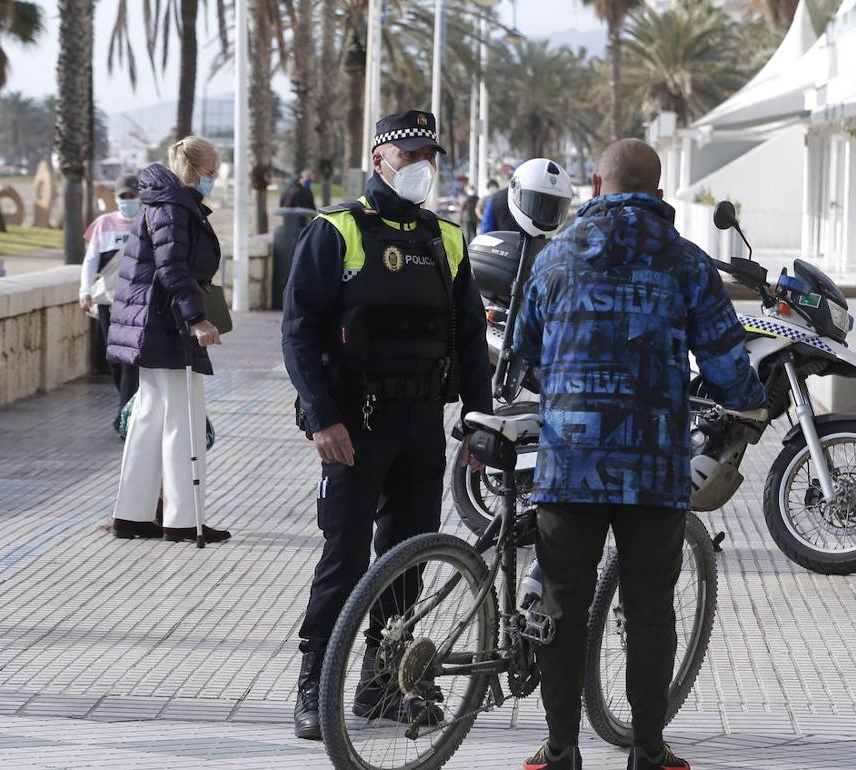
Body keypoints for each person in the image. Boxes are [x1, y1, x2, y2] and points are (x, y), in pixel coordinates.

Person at [513, 139, 766, 770]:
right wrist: (752, 406)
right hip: (653, 469)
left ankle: (561, 749)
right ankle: (648, 750)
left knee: (562, 606)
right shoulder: (685, 263)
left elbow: (522, 354)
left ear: (596, 184)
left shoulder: (554, 256)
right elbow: (728, 364)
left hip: (567, 464)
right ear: (657, 194)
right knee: (651, 611)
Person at [282, 109, 492, 740]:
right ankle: (316, 685)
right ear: (379, 159)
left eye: (431, 155)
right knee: (343, 557)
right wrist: (322, 419)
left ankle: (382, 684)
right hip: (355, 424)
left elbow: (473, 341)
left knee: (408, 558)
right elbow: (298, 332)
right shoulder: (335, 231)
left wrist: (477, 425)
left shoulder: (446, 238)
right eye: (410, 156)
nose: (424, 167)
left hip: (421, 422)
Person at [106, 136, 232, 543]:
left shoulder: (165, 203)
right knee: (183, 419)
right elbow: (172, 268)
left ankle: (132, 514)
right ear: (194, 170)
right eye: (211, 173)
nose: (213, 180)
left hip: (153, 324)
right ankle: (182, 519)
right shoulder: (173, 208)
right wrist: (197, 320)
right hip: (167, 326)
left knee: (150, 417)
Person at [80, 172, 143, 431]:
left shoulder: (147, 222)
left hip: (137, 302)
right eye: (123, 196)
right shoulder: (103, 224)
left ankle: (124, 417)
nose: (127, 201)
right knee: (114, 359)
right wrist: (84, 291)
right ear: (116, 198)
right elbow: (90, 260)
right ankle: (127, 405)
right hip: (108, 300)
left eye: (132, 196)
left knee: (130, 362)